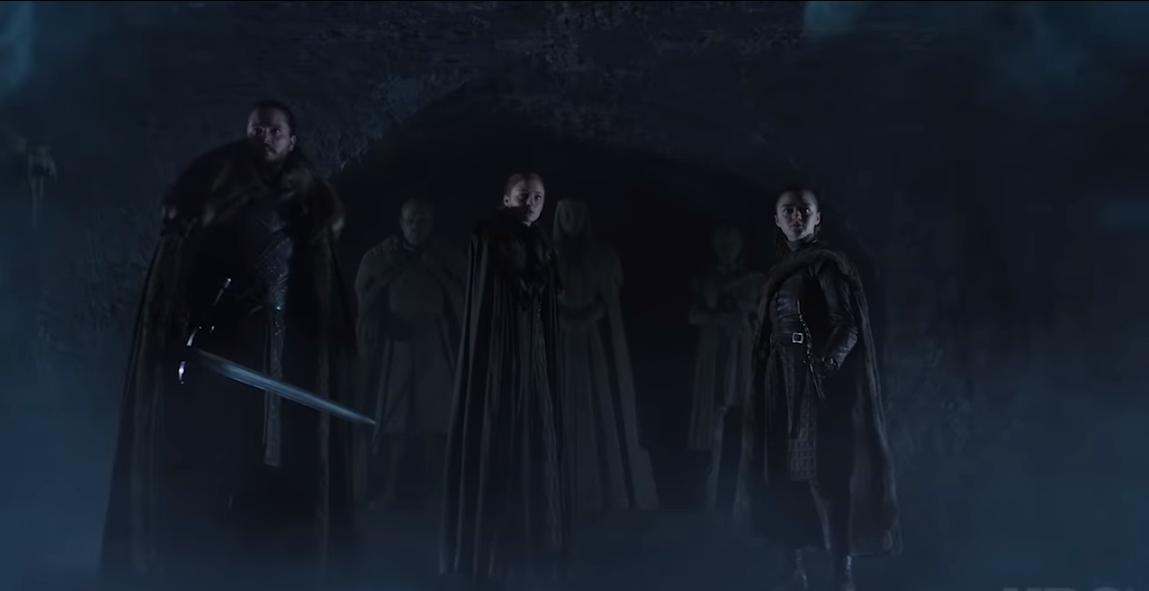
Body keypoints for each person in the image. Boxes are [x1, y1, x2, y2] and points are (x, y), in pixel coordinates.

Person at [102, 100, 361, 589]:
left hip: (284, 350)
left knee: (278, 455)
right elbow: (187, 274)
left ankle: (273, 554)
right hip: (226, 343)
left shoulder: (309, 204)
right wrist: (186, 330)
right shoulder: (214, 193)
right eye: (257, 129)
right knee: (223, 450)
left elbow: (317, 288)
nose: (266, 137)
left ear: (291, 139)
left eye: (275, 130)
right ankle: (213, 557)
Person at [735, 187, 900, 591]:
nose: (796, 217)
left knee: (824, 476)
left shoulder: (826, 265)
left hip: (813, 387)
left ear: (817, 218)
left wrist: (824, 366)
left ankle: (841, 572)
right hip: (778, 381)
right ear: (777, 220)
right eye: (788, 211)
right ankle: (792, 568)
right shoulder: (781, 272)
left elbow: (847, 325)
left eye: (803, 210)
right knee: (781, 474)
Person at [440, 172, 569, 591]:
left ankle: (534, 552)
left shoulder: (541, 241)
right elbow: (494, 291)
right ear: (507, 197)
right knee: (499, 442)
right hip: (498, 359)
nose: (531, 203)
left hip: (532, 358)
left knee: (535, 442)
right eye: (523, 195)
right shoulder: (490, 234)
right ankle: (493, 558)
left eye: (538, 197)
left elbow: (549, 294)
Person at [355, 197, 463, 513]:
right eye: (412, 220)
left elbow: (466, 293)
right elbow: (363, 295)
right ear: (402, 222)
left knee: (436, 419)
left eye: (424, 220)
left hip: (434, 340)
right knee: (393, 419)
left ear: (432, 223)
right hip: (397, 342)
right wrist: (389, 275)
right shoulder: (383, 256)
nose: (417, 226)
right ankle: (389, 488)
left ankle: (436, 492)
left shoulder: (444, 256)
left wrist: (437, 271)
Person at [552, 198, 658, 516]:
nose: (572, 220)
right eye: (566, 214)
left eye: (577, 214)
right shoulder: (547, 255)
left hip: (594, 342)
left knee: (599, 404)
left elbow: (609, 300)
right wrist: (564, 318)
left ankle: (602, 491)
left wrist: (587, 317)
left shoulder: (602, 256)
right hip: (560, 341)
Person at [686, 226, 764, 510]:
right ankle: (710, 499)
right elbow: (694, 314)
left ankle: (743, 499)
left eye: (732, 240)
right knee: (714, 423)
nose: (727, 246)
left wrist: (746, 313)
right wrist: (724, 318)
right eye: (722, 241)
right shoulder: (705, 280)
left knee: (746, 421)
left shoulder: (756, 281)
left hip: (745, 355)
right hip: (714, 355)